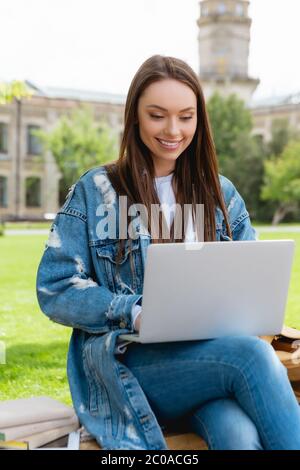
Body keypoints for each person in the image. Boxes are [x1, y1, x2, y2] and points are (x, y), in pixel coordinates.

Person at [36, 55, 300, 450]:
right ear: (135, 117)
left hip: (211, 363)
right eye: (157, 115)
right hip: (130, 367)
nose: (173, 130)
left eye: (186, 116)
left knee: (238, 435)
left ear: (199, 120)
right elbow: (56, 288)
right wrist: (135, 311)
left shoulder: (220, 194)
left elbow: (254, 277)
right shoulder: (97, 191)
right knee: (252, 358)